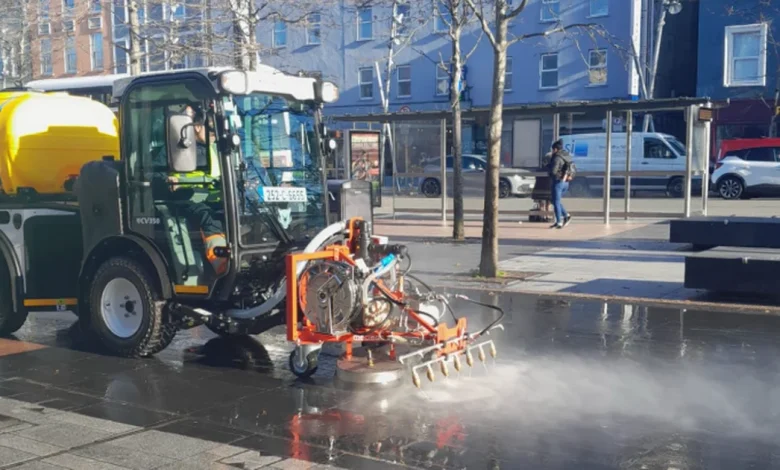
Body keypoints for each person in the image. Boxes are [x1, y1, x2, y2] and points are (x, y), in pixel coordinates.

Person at [548, 139, 573, 229]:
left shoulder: (557, 157)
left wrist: (549, 170)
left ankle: (559, 222)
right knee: (555, 201)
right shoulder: (567, 156)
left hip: (558, 181)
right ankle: (566, 215)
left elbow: (554, 171)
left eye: (553, 149)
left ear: (555, 149)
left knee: (556, 202)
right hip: (566, 182)